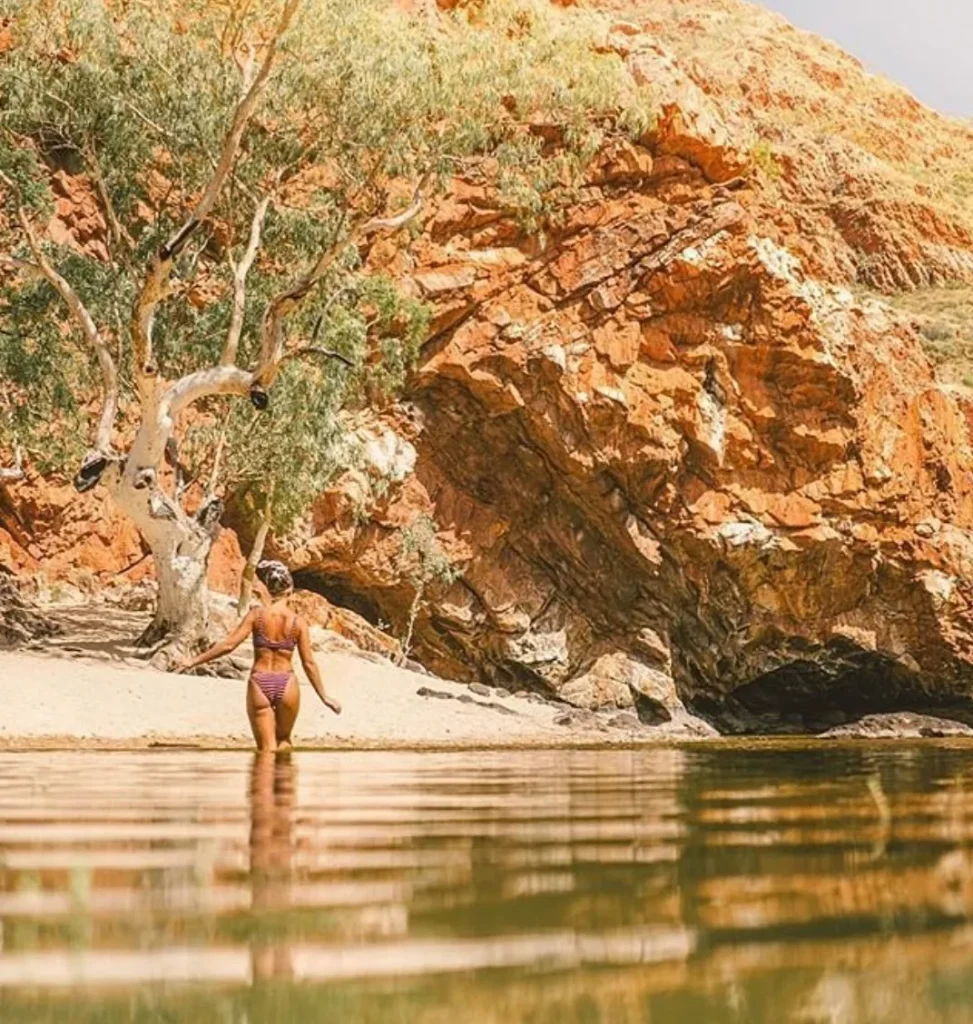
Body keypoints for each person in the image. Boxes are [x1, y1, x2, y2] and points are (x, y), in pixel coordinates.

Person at [176, 560, 341, 750]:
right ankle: (283, 777)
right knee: (284, 741)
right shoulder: (297, 622)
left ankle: (264, 777)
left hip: (260, 682)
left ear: (270, 590)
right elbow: (309, 663)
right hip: (286, 682)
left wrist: (192, 661)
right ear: (290, 590)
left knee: (266, 750)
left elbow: (229, 645)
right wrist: (324, 697)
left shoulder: (256, 616)